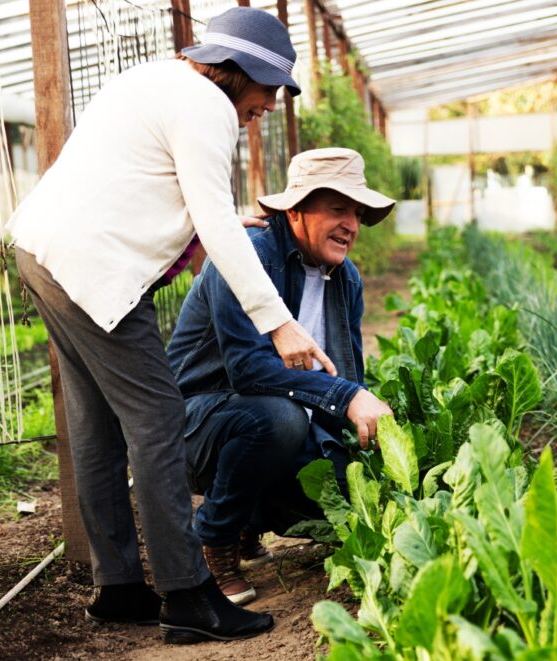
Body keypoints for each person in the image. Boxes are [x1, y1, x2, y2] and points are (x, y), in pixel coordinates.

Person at [7, 7, 334, 645]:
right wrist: (279, 324)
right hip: (92, 268)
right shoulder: (208, 108)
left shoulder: (153, 80)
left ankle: (121, 587)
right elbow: (209, 212)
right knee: (158, 420)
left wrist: (213, 219)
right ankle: (188, 596)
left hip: (41, 250)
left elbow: (149, 184)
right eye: (266, 90)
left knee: (95, 426)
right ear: (236, 72)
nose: (266, 105)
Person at [166, 148, 395, 604]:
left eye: (356, 212)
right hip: (193, 427)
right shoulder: (246, 258)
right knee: (279, 418)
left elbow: (348, 374)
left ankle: (249, 518)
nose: (351, 223)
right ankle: (214, 540)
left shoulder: (346, 279)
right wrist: (345, 396)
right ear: (295, 211)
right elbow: (248, 370)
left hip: (268, 420)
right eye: (337, 208)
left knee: (342, 492)